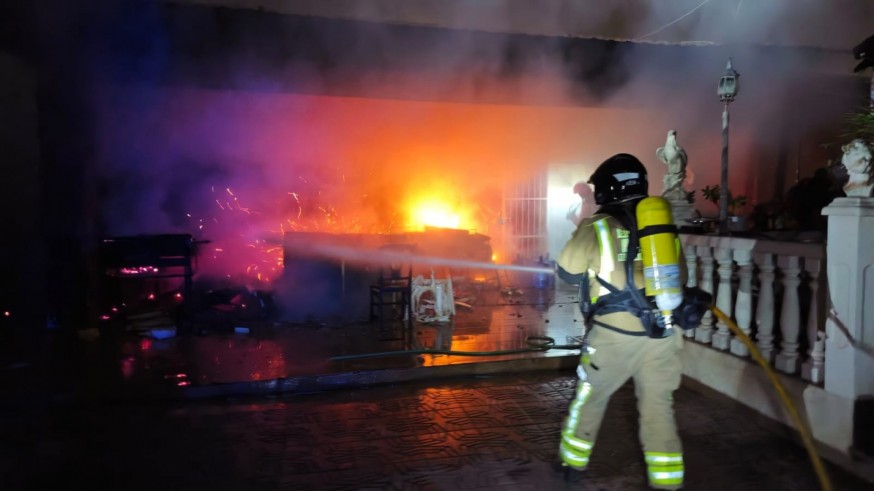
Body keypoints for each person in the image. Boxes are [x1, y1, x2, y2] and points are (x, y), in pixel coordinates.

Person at [555, 153, 686, 490]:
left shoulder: (595, 226)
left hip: (614, 336)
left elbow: (567, 272)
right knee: (659, 407)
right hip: (662, 333)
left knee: (590, 397)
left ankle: (572, 464)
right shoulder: (662, 227)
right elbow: (680, 276)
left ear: (608, 189)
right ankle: (668, 482)